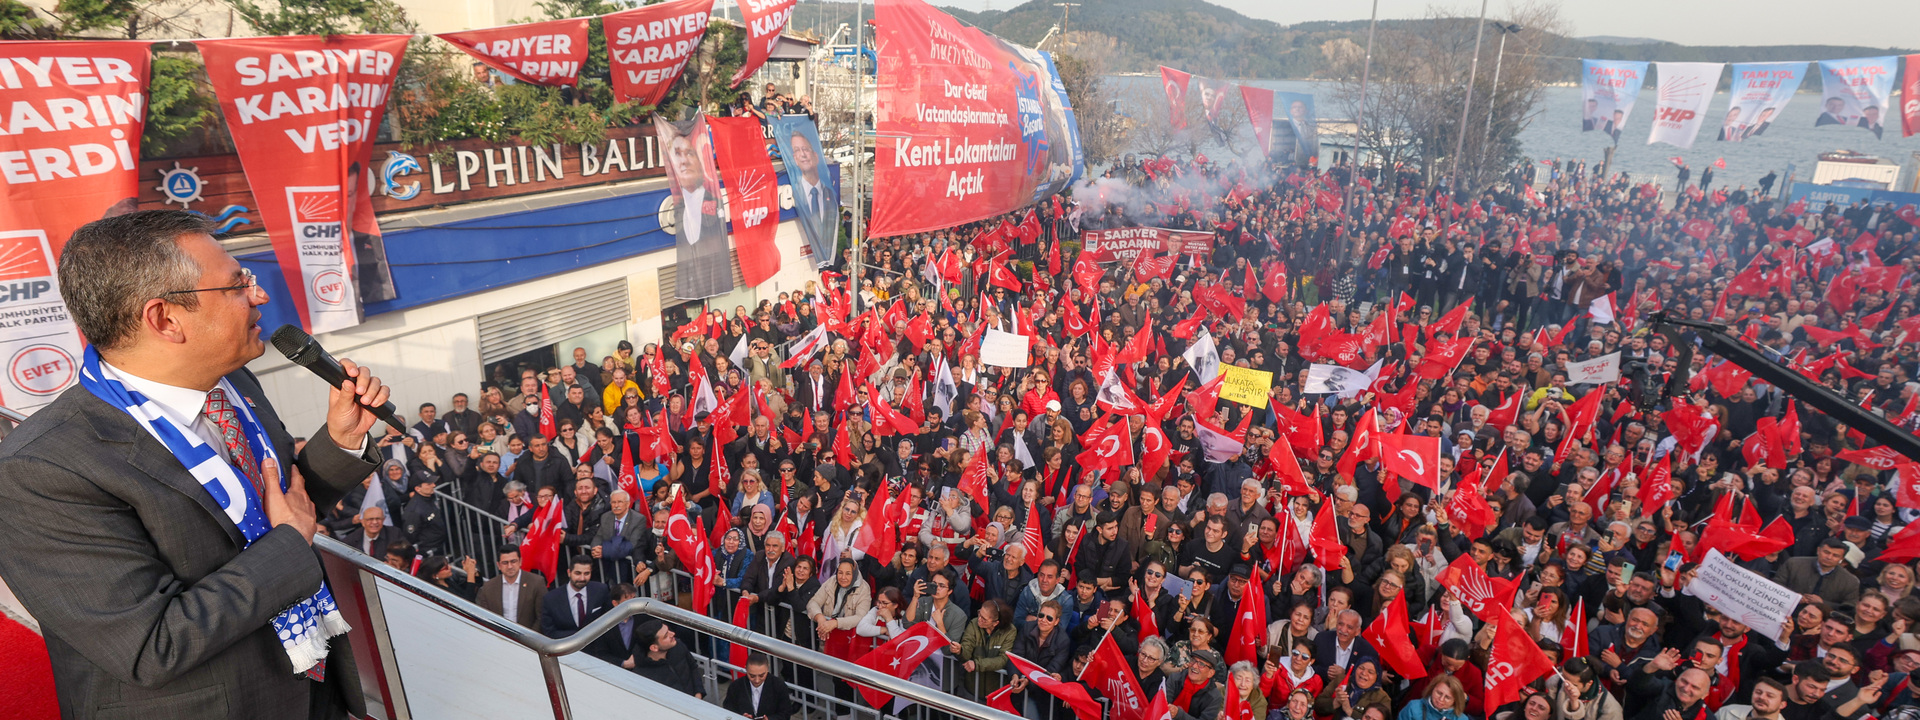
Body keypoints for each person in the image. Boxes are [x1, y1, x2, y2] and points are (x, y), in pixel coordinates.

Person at [0, 210, 391, 718]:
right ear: (164, 319)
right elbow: (151, 646)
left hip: (314, 690)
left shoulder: (233, 385)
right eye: (236, 286)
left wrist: (340, 443)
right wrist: (288, 544)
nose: (260, 295)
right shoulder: (40, 471)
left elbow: (274, 509)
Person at [477, 545, 547, 629]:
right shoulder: (488, 587)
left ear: (520, 561)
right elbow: (485, 618)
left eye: (513, 561)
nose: (510, 566)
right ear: (499, 565)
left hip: (529, 639)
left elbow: (542, 616)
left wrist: (529, 639)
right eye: (505, 563)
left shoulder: (536, 583)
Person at [539, 557, 611, 639]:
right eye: (578, 573)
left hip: (595, 648)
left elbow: (608, 619)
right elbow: (549, 632)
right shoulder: (551, 598)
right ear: (569, 572)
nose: (582, 578)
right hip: (565, 647)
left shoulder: (601, 590)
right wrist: (578, 636)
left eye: (586, 573)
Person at [630, 619, 703, 698]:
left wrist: (698, 693)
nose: (672, 634)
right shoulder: (642, 678)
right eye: (665, 636)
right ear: (654, 647)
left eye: (668, 630)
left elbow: (693, 667)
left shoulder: (677, 645)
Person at [722, 654, 794, 720]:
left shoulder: (779, 686)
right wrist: (740, 717)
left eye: (761, 675)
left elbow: (785, 714)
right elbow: (728, 709)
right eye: (752, 676)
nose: (757, 680)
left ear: (767, 669)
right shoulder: (736, 686)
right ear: (746, 669)